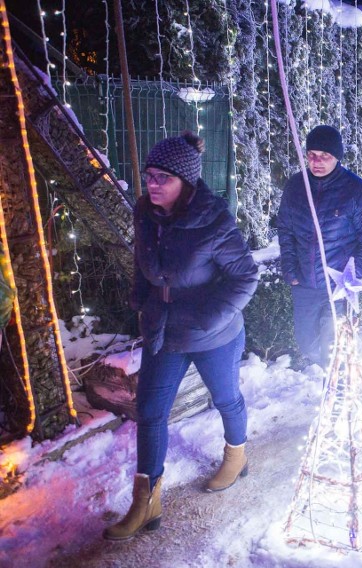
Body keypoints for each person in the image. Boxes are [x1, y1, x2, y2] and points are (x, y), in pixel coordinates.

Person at [104, 132, 259, 541]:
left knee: (225, 397)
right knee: (151, 411)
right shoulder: (145, 213)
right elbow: (142, 261)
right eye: (149, 176)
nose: (152, 184)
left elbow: (245, 276)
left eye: (163, 178)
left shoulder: (214, 221)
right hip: (165, 331)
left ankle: (237, 455)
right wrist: (141, 297)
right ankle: (146, 500)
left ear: (186, 182)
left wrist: (208, 318)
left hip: (213, 333)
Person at [276, 125, 362, 368]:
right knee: (306, 343)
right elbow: (286, 229)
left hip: (338, 287)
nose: (317, 162)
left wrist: (352, 277)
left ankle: (337, 397)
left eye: (325, 156)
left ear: (337, 157)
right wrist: (290, 269)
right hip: (305, 285)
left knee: (335, 350)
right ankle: (330, 375)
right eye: (312, 155)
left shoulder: (358, 192)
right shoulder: (295, 187)